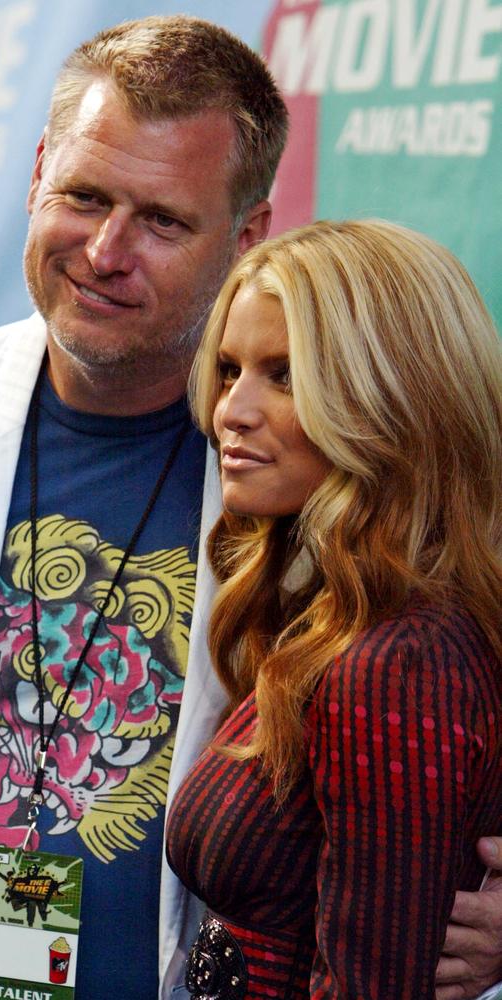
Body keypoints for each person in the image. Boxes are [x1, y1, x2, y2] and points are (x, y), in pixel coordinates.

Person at [0, 15, 499, 1000]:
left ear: (245, 235)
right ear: (34, 175)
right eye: (82, 195)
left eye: (160, 219)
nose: (106, 251)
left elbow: (444, 705)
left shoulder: (312, 467)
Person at [166, 219, 502, 999]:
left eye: (284, 375)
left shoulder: (400, 662)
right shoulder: (342, 624)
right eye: (229, 369)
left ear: (393, 394)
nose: (229, 411)